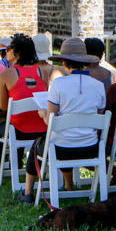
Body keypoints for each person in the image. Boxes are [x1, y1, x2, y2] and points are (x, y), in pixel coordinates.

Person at [22, 38, 105, 204]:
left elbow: (50, 121)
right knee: (63, 137)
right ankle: (68, 185)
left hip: (61, 149)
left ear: (64, 62)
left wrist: (43, 113)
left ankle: (27, 192)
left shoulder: (58, 84)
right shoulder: (98, 85)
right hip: (90, 147)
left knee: (37, 146)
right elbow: (99, 116)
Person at [0, 34, 49, 181]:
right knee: (17, 120)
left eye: (9, 48)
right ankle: (18, 163)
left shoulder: (5, 75)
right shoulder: (43, 72)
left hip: (19, 131)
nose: (6, 50)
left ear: (17, 53)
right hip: (42, 130)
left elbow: (4, 107)